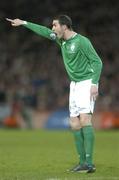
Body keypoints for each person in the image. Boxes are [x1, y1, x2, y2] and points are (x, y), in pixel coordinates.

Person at [6, 15, 103, 173]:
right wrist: (24, 22)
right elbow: (44, 32)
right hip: (74, 85)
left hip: (86, 82)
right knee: (74, 123)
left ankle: (90, 163)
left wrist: (94, 84)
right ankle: (82, 163)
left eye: (55, 25)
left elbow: (97, 62)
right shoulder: (61, 40)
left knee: (85, 120)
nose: (52, 29)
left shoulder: (82, 41)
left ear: (64, 27)